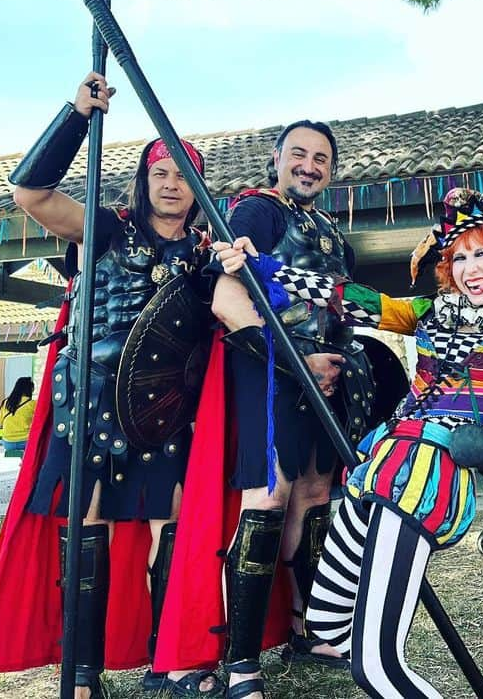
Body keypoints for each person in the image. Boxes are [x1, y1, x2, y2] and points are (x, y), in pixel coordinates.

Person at [211, 187, 483, 699]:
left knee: (377, 668)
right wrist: (264, 267)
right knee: (324, 621)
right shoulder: (430, 312)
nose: (470, 267)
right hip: (374, 469)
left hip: (425, 479)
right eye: (459, 256)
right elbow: (348, 297)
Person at [0, 73, 218, 699]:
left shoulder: (207, 254)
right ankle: (82, 674)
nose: (172, 183)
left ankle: (170, 661)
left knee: (173, 521)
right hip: (92, 403)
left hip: (162, 412)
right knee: (87, 522)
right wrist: (77, 116)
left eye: (184, 174)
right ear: (146, 177)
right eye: (161, 171)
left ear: (198, 186)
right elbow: (29, 191)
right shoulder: (105, 228)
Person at [155, 120, 386, 699]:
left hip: (327, 380)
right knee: (269, 499)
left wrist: (425, 314)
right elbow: (226, 297)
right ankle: (240, 661)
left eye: (322, 158)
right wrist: (295, 365)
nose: (310, 165)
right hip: (271, 375)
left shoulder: (334, 233)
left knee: (313, 497)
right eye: (299, 154)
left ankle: (312, 627)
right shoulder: (256, 211)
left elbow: (348, 304)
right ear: (276, 159)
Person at [0, 376, 36, 456]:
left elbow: (1, 423)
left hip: (8, 443)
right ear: (30, 389)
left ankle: (22, 464)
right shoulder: (32, 404)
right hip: (26, 442)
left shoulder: (6, 402)